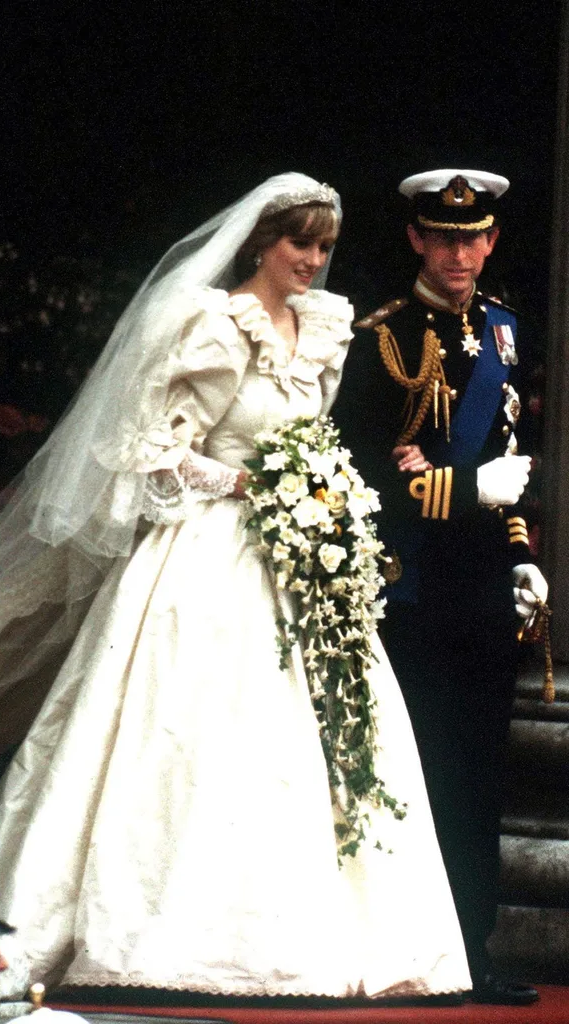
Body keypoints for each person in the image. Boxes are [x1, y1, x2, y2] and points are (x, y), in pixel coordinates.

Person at [0, 173, 470, 1002]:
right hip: (209, 547)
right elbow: (156, 449)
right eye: (299, 245)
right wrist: (253, 487)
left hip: (298, 556)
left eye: (324, 247)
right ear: (260, 242)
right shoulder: (215, 327)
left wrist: (317, 493)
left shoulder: (322, 329)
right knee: (184, 723)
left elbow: (313, 435)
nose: (313, 263)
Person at [332, 168, 547, 1006]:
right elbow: (357, 475)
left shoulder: (501, 331)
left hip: (484, 583)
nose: (460, 252)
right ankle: (413, 949)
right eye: (444, 237)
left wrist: (522, 551)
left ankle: (475, 951)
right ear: (418, 239)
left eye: (475, 237)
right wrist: (465, 491)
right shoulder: (381, 337)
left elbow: (510, 462)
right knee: (421, 770)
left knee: (482, 773)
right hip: (409, 584)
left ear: (491, 240)